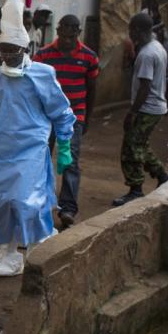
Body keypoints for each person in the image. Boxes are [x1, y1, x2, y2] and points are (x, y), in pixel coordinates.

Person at [0, 0, 76, 277]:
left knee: (27, 200)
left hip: (32, 149)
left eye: (14, 50)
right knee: (2, 204)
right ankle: (9, 254)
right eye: (5, 50)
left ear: (25, 50)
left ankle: (37, 249)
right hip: (1, 151)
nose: (9, 56)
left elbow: (61, 112)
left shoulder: (42, 75)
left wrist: (64, 145)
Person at [34, 15, 100, 228]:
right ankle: (39, 203)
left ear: (78, 33)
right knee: (41, 158)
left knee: (70, 161)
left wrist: (87, 119)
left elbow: (92, 89)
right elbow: (33, 87)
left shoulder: (89, 57)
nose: (70, 37)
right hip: (46, 117)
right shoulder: (43, 56)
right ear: (59, 30)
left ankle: (68, 208)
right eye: (66, 32)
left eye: (74, 33)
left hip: (74, 117)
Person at [113, 12, 168, 205]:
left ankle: (136, 189)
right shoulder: (156, 47)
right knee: (141, 144)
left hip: (148, 108)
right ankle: (162, 175)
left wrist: (132, 112)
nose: (130, 33)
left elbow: (145, 86)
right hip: (156, 106)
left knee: (131, 147)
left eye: (131, 29)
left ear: (138, 30)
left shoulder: (147, 54)